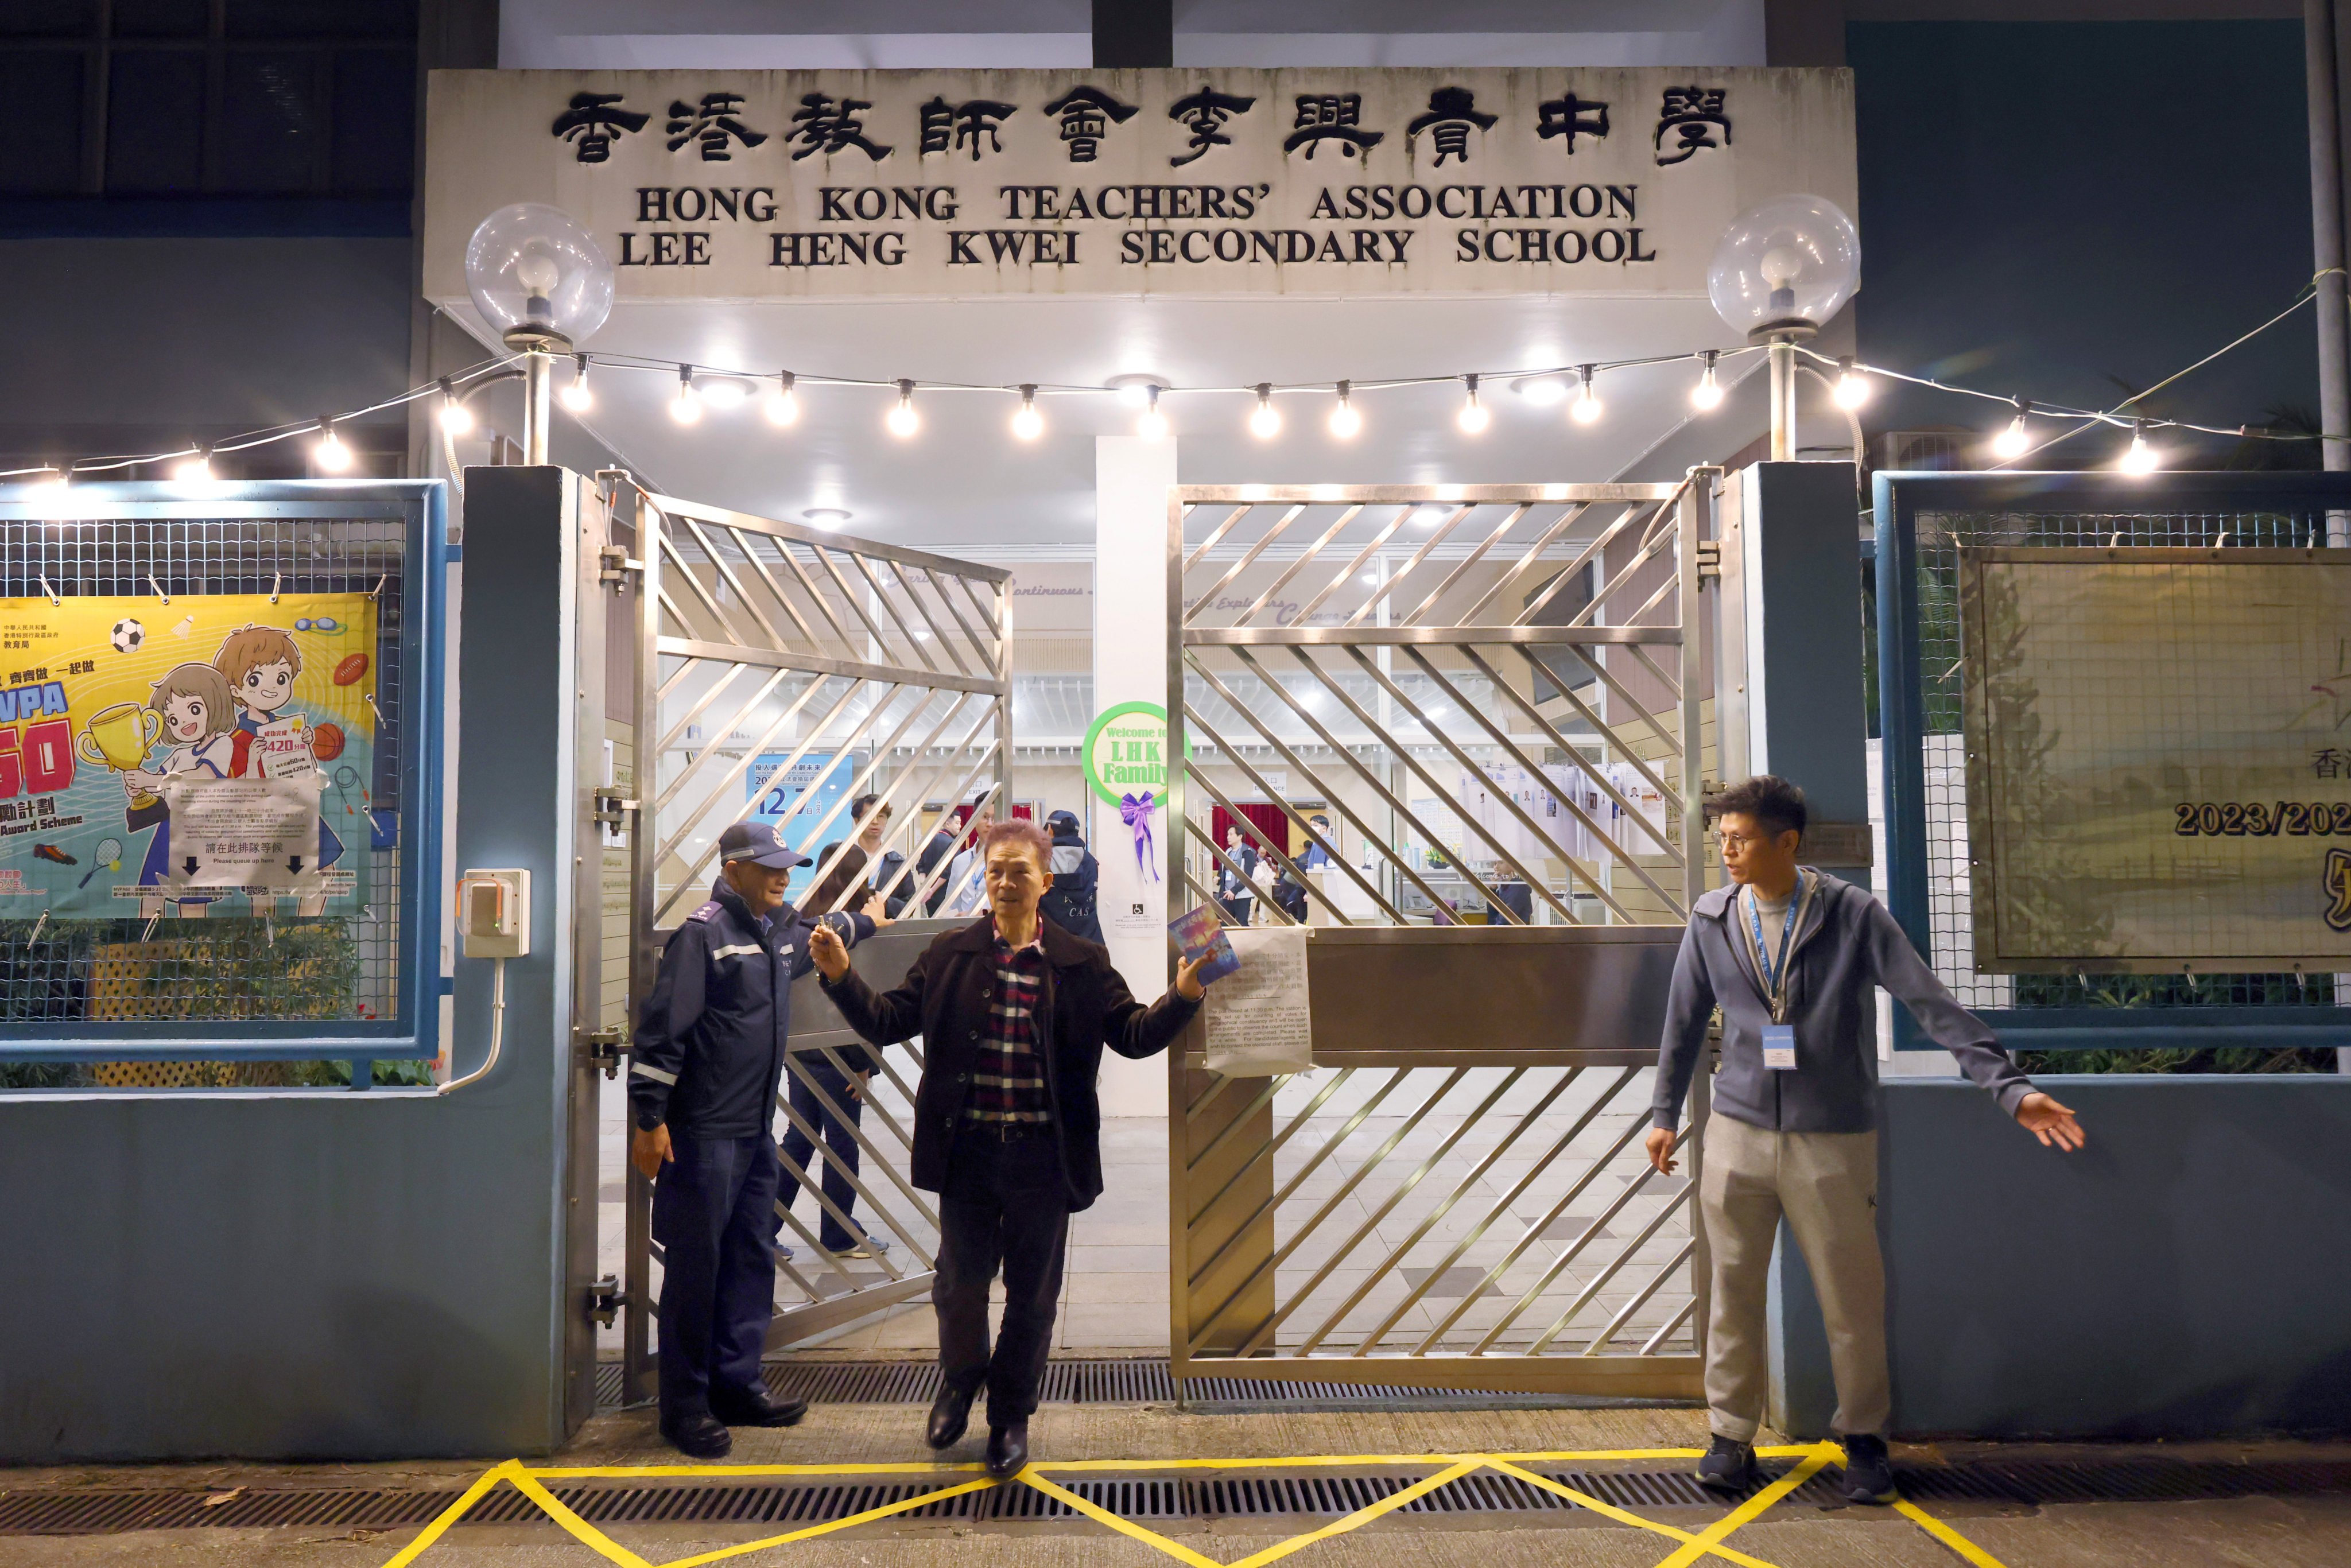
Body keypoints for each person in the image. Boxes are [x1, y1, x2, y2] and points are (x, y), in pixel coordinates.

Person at [1648, 775, 2085, 1504]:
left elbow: (1929, 1000)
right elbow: (1682, 1022)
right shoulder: (1712, 917)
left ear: (1786, 841)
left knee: (1851, 1299)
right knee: (1731, 1290)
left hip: (1831, 1139)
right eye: (1721, 837)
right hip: (1736, 1131)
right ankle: (1729, 1435)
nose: (1727, 849)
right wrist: (1665, 1113)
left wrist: (2008, 1087)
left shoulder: (1851, 914)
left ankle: (1864, 1439)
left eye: (1742, 837)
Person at [808, 818, 1208, 1480]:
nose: (1005, 881)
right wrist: (843, 977)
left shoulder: (1080, 962)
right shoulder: (949, 954)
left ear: (1045, 881)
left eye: (1019, 870)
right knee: (958, 1289)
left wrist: (1183, 995)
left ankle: (1010, 1414)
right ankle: (960, 1383)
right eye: (995, 870)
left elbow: (1133, 1033)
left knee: (1031, 1296)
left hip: (1042, 1159)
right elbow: (888, 1020)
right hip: (967, 1155)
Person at [630, 818, 879, 1459]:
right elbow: (662, 1035)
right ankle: (684, 1406)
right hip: (703, 1132)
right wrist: (649, 1118)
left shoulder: (774, 933)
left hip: (753, 1131)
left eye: (786, 865)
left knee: (748, 1257)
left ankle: (737, 1383)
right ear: (733, 868)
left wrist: (868, 920)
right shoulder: (703, 936)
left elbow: (824, 932)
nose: (782, 874)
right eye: (769, 866)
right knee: (696, 1269)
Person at [806, 793, 891, 915]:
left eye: (881, 816)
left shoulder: (896, 861)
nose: (875, 822)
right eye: (869, 816)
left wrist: (885, 903)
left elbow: (908, 901)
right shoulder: (839, 854)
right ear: (857, 820)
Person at [1036, 809, 1103, 943]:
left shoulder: (1041, 861)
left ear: (1049, 829)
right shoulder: (1091, 861)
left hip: (1054, 945)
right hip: (1091, 944)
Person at [1216, 822, 1257, 926]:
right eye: (1228, 834)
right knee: (1226, 924)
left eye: (1231, 834)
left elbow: (1247, 876)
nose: (1228, 837)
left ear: (1240, 837)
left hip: (1241, 895)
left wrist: (1234, 891)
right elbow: (1223, 871)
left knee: (1241, 923)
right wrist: (1219, 879)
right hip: (1227, 894)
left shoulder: (1247, 853)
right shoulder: (1228, 852)